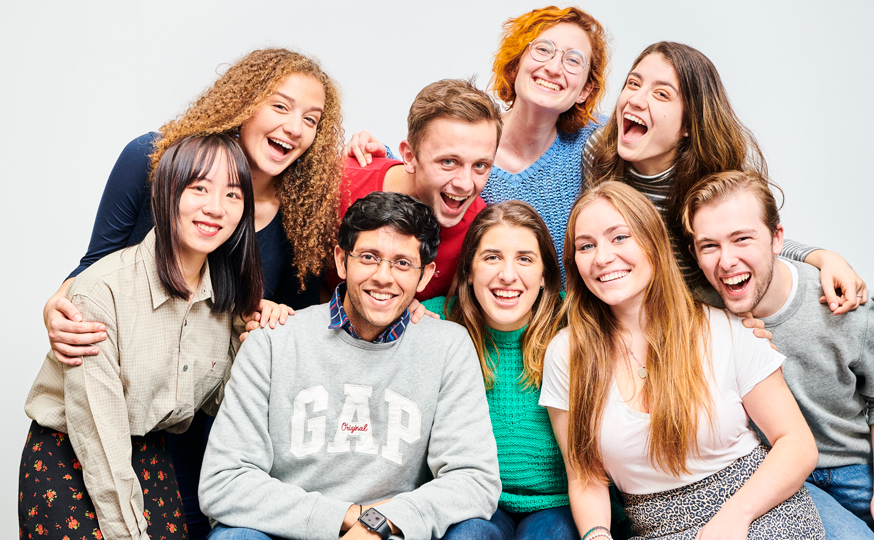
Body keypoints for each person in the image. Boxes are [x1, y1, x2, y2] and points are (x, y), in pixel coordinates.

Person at [40, 48, 345, 538]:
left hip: (199, 415)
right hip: (117, 390)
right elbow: (95, 264)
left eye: (311, 119)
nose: (294, 128)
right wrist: (58, 306)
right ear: (244, 101)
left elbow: (294, 316)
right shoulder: (152, 157)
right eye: (280, 106)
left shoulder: (304, 210)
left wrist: (268, 316)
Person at [199, 191, 501, 540]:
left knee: (476, 531)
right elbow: (223, 481)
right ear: (342, 261)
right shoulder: (272, 341)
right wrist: (348, 517)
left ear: (424, 275)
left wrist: (382, 526)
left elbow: (475, 479)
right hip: (294, 531)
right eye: (369, 257)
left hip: (395, 534)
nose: (384, 277)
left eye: (402, 263)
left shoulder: (448, 346)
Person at [540, 182, 824, 540]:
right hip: (655, 527)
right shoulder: (566, 355)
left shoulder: (727, 329)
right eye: (586, 246)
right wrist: (597, 536)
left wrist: (734, 518)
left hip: (758, 512)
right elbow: (585, 476)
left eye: (620, 237)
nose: (602, 257)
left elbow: (796, 443)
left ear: (654, 244)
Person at [19, 134, 264, 540]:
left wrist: (257, 340)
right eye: (199, 187)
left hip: (150, 453)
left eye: (233, 194)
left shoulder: (226, 298)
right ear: (168, 193)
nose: (215, 207)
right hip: (71, 453)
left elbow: (224, 401)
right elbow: (98, 430)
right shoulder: (100, 291)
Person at [682, 170, 874, 540]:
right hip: (770, 469)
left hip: (855, 466)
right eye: (709, 246)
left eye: (742, 239)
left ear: (777, 238)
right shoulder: (701, 314)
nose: (727, 261)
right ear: (695, 254)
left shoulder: (843, 304)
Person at [585, 41, 866, 314]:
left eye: (661, 94)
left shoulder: (710, 180)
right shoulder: (598, 155)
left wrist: (822, 257)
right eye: (633, 84)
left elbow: (753, 240)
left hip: (699, 317)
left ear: (688, 124)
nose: (635, 99)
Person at [347, 7, 608, 281]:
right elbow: (423, 170)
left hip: (563, 317)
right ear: (515, 64)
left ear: (586, 90)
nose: (554, 68)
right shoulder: (472, 131)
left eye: (573, 61)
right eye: (543, 50)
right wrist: (377, 153)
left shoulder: (593, 143)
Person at [421, 201, 574, 540]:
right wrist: (275, 310)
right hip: (474, 500)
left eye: (525, 259)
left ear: (545, 274)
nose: (508, 275)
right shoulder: (435, 320)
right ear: (470, 270)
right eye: (492, 257)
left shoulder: (575, 321)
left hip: (558, 503)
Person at [338, 78, 502, 300]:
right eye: (448, 162)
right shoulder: (342, 184)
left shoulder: (481, 231)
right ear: (409, 156)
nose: (465, 183)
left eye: (480, 165)